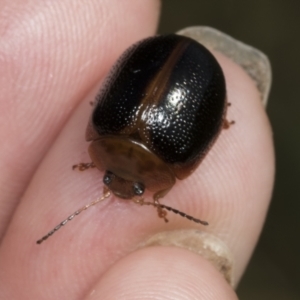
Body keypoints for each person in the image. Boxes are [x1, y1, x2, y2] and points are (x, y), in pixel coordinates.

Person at [0, 1, 274, 299]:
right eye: (138, 187)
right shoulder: (132, 138)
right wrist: (155, 198)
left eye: (109, 177)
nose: (121, 189)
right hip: (183, 66)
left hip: (173, 63)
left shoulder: (138, 141)